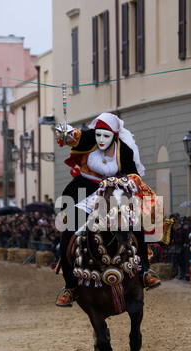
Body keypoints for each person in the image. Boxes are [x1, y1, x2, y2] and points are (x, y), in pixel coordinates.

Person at [55, 112, 161, 306]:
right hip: (84, 194)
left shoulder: (125, 151)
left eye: (106, 136)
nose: (101, 139)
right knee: (67, 234)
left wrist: (123, 180)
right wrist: (65, 131)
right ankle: (70, 287)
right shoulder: (90, 139)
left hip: (113, 194)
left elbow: (135, 176)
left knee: (135, 226)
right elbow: (75, 137)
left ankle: (145, 272)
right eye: (98, 135)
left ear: (114, 135)